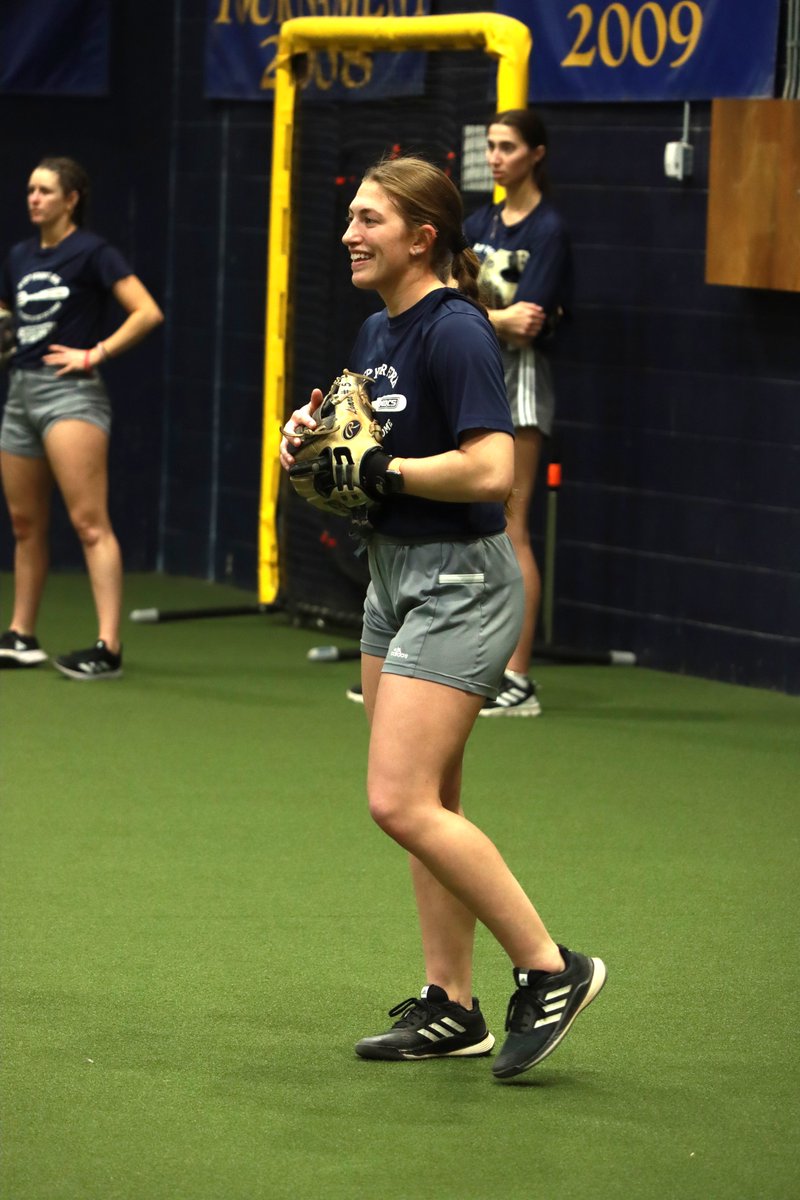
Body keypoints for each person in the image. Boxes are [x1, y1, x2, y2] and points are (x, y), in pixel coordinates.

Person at [280, 156, 604, 1080]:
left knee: (398, 800)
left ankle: (552, 969)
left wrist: (387, 473)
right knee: (431, 806)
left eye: (370, 220)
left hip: (459, 581)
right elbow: (365, 443)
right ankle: (451, 1006)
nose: (350, 233)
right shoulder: (377, 327)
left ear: (422, 237)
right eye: (351, 218)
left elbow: (492, 471)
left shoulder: (456, 328)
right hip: (395, 576)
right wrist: (312, 446)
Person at [0, 156, 163, 679]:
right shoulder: (21, 254)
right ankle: (22, 635)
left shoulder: (93, 252)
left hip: (71, 396)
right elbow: (8, 314)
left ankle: (107, 647)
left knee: (89, 524)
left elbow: (146, 312)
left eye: (45, 191)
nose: (34, 198)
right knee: (25, 524)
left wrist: (94, 354)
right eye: (30, 190)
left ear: (71, 199)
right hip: (20, 395)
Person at [464, 109, 574, 716]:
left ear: (536, 154)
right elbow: (453, 297)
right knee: (473, 530)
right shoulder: (478, 221)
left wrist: (496, 318)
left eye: (508, 147)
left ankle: (519, 677)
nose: (496, 157)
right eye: (490, 146)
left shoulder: (550, 229)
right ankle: (470, 665)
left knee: (512, 528)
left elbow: (531, 323)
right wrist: (497, 318)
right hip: (478, 381)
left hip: (522, 387)